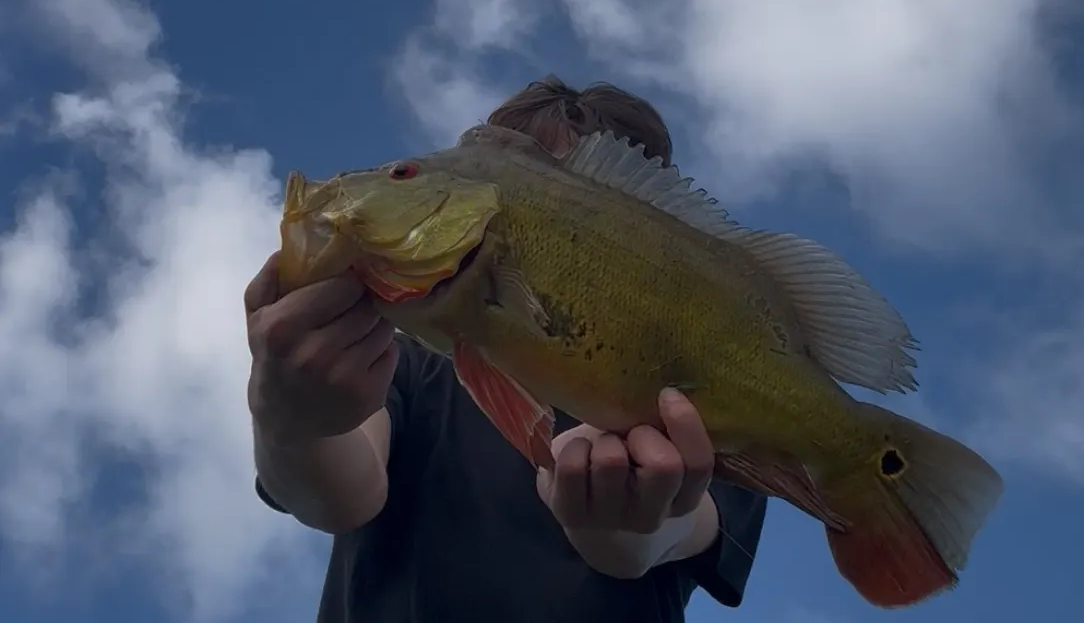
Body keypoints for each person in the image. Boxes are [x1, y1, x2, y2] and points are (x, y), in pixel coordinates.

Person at [245, 77, 767, 623]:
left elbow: (681, 527)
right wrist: (290, 420)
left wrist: (633, 527)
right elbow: (337, 494)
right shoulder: (402, 363)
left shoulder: (704, 400)